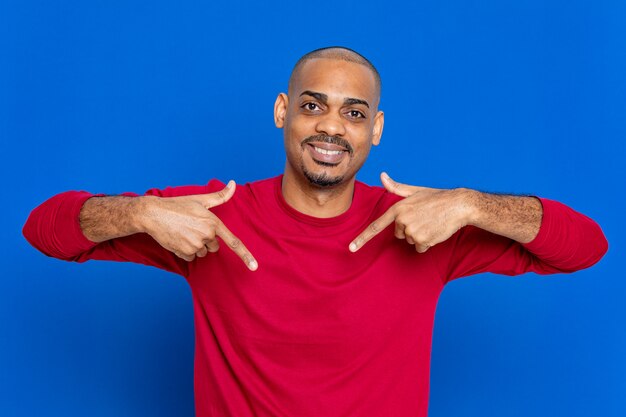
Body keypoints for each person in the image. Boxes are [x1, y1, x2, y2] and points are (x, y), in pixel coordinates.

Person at [23, 46, 608, 417]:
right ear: (282, 111)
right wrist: (138, 214)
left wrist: (471, 205)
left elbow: (586, 245)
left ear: (375, 129)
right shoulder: (211, 216)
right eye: (313, 105)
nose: (332, 127)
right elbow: (43, 229)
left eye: (354, 113)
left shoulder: (425, 225)